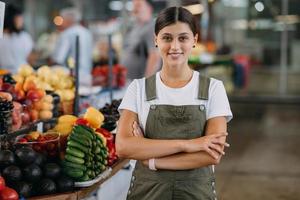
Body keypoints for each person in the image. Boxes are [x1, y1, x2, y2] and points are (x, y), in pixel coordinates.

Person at [116, 6, 233, 200]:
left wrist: (151, 160)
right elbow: (123, 146)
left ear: (194, 40)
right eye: (167, 38)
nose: (175, 46)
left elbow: (212, 155)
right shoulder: (138, 89)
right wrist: (190, 144)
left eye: (183, 38)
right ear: (156, 40)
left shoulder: (213, 88)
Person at [50, 7, 93, 86]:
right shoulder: (87, 33)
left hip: (71, 78)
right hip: (87, 76)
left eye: (62, 19)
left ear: (68, 20)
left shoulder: (66, 34)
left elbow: (58, 59)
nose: (61, 22)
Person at [120, 0, 161, 80]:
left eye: (138, 5)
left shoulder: (151, 28)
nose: (135, 9)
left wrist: (146, 83)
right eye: (134, 6)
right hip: (129, 81)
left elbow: (155, 57)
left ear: (149, 9)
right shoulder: (134, 28)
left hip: (140, 83)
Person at [0, 4, 34, 74]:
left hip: (8, 74)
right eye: (19, 18)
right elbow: (30, 59)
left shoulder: (24, 36)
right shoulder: (24, 37)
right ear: (11, 19)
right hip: (17, 74)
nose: (22, 21)